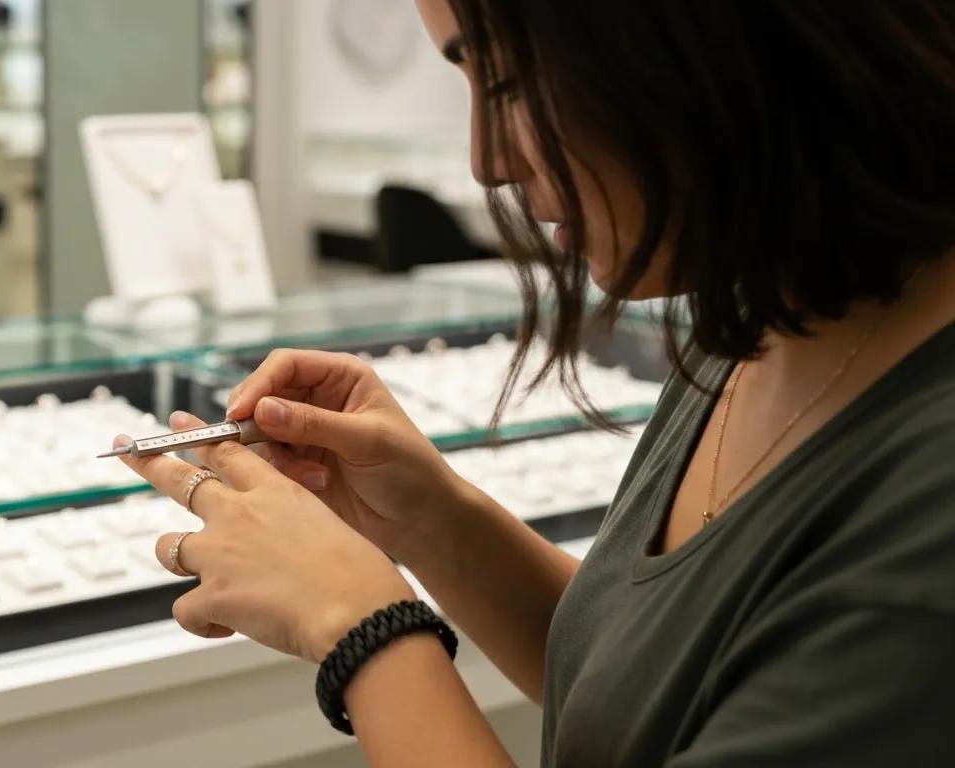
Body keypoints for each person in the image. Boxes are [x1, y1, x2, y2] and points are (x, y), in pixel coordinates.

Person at [112, 0, 955, 764]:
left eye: (512, 81)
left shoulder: (924, 532)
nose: (487, 162)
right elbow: (647, 694)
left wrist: (363, 630)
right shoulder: (772, 311)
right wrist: (430, 516)